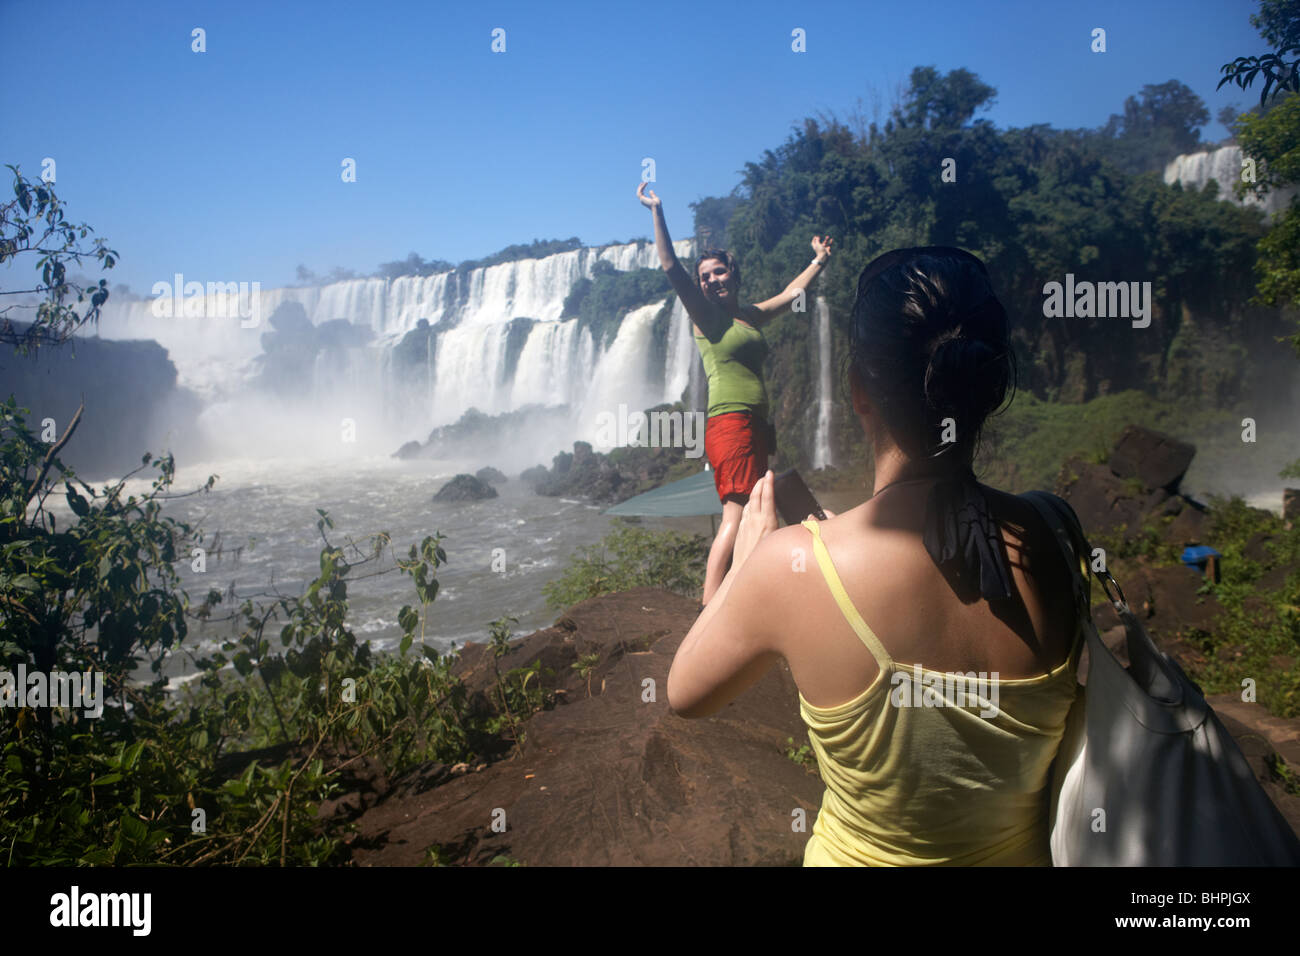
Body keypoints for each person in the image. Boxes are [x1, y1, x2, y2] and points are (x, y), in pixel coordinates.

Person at [665, 247, 1084, 865]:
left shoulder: (792, 566)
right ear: (988, 387)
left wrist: (751, 567)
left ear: (859, 391)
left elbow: (684, 694)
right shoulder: (1055, 526)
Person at [637, 181, 832, 605]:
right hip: (729, 423)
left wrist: (818, 261)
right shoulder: (705, 316)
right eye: (704, 277)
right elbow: (671, 267)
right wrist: (657, 210)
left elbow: (789, 295)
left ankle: (754, 592)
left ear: (734, 274)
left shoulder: (747, 316)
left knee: (758, 505)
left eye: (718, 272)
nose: (711, 281)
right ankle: (710, 605)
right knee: (737, 511)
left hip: (755, 425)